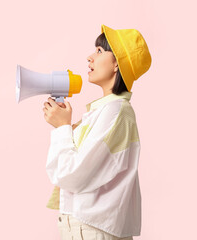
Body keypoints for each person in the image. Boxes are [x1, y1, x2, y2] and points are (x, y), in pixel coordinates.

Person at [43, 24, 152, 240]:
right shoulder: (105, 111)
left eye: (100, 51)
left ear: (116, 65)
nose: (89, 57)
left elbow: (72, 175)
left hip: (91, 229)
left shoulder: (116, 112)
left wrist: (62, 128)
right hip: (86, 227)